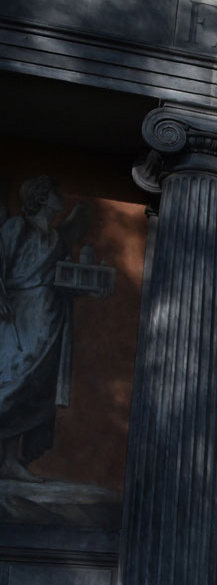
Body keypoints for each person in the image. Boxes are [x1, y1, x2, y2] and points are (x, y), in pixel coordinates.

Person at [0, 176, 89, 481]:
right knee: (13, 381)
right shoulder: (17, 228)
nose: (60, 196)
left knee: (35, 389)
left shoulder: (57, 238)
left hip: (50, 317)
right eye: (54, 192)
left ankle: (10, 460)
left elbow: (64, 275)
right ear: (40, 197)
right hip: (20, 314)